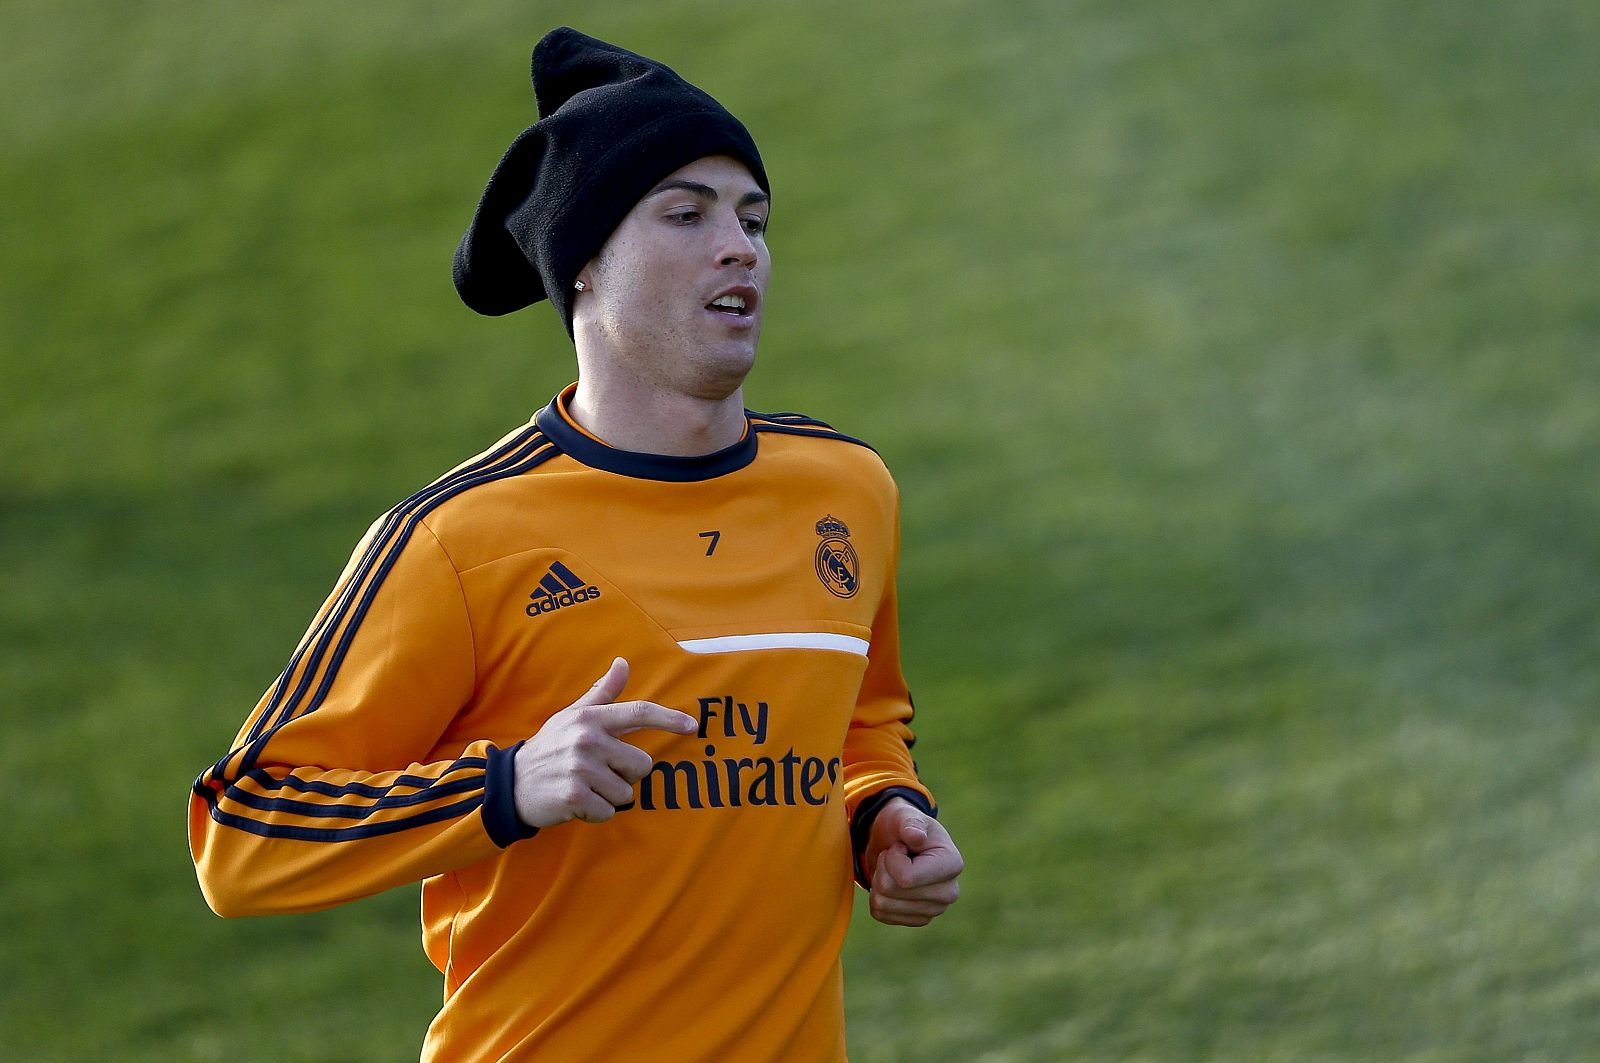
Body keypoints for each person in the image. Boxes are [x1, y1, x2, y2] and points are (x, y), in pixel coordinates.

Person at [188, 26, 962, 1062]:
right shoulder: (461, 542)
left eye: (753, 218)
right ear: (584, 266)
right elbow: (242, 837)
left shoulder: (847, 491)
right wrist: (507, 788)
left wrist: (882, 812)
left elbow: (861, 715)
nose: (739, 246)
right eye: (685, 215)